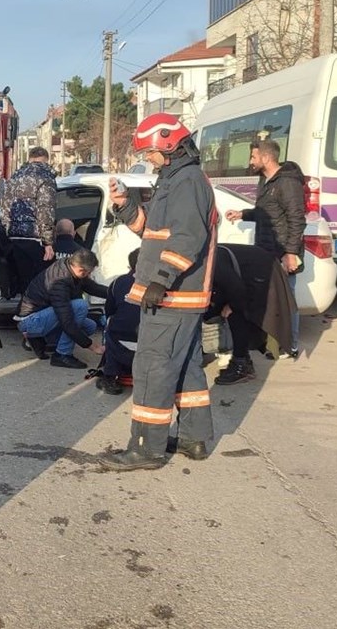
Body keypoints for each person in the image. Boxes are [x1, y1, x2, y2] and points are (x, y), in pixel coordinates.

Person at [99, 113, 217, 471]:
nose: (147, 158)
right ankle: (194, 439)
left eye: (150, 151)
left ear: (168, 144)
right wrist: (124, 204)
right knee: (185, 367)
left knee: (152, 368)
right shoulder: (176, 180)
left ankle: (146, 449)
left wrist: (160, 279)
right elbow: (150, 228)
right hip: (180, 295)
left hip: (173, 295)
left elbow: (188, 237)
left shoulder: (187, 181)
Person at [225, 138, 305, 358]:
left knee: (287, 301)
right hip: (265, 251)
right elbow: (265, 212)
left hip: (282, 252)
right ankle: (272, 344)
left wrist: (290, 253)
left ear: (266, 157)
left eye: (253, 156)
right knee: (270, 299)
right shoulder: (265, 181)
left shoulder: (288, 183)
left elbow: (297, 219)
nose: (250, 161)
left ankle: (292, 345)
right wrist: (243, 214)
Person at [209, 244, 296, 385]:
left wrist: (231, 305)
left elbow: (237, 290)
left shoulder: (213, 262)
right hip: (246, 269)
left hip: (262, 270)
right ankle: (244, 360)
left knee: (237, 314)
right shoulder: (205, 259)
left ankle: (241, 366)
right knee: (230, 310)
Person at [17, 248, 108, 369]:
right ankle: (62, 355)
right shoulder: (59, 282)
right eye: (89, 273)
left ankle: (43, 340)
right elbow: (66, 321)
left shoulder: (69, 266)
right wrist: (91, 346)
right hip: (29, 321)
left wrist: (117, 292)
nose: (89, 275)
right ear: (81, 270)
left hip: (41, 315)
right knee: (80, 306)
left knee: (90, 326)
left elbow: (93, 288)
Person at [0, 146, 57, 291]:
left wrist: (7, 232)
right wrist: (48, 242)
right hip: (34, 238)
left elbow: (6, 207)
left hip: (14, 237)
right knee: (37, 284)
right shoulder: (45, 177)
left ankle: (23, 311)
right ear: (46, 160)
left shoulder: (15, 177)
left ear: (30, 159)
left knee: (24, 283)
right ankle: (32, 312)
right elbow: (45, 210)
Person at [96, 249, 142, 395]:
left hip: (122, 339)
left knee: (111, 324)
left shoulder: (119, 282)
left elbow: (109, 310)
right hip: (152, 343)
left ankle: (109, 376)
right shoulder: (160, 285)